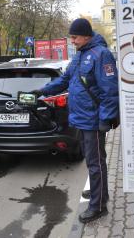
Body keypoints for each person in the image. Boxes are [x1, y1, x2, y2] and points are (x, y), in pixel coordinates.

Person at [31, 18, 119, 223]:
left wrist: (106, 119)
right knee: (94, 161)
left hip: (94, 121)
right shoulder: (80, 56)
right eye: (71, 37)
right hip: (82, 119)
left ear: (86, 36)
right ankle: (100, 194)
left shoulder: (101, 54)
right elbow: (64, 80)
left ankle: (98, 207)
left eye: (75, 37)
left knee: (95, 163)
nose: (72, 41)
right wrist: (43, 91)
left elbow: (110, 91)